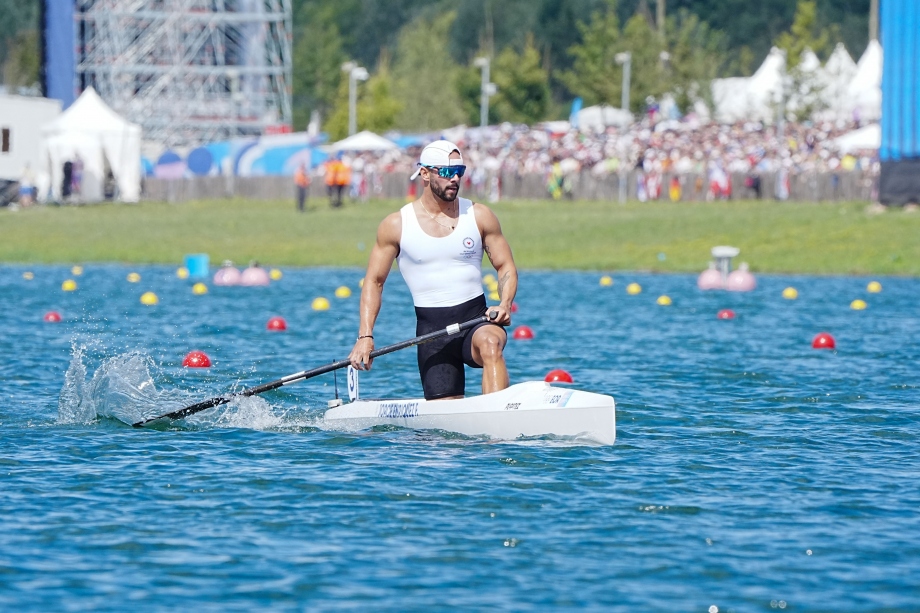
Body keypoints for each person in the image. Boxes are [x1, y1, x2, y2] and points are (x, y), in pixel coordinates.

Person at [348, 140, 518, 400]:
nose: (455, 179)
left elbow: (504, 265)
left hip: (477, 319)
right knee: (444, 439)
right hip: (432, 334)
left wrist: (505, 302)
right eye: (447, 172)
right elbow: (374, 281)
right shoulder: (396, 225)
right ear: (425, 174)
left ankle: (499, 420)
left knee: (491, 344)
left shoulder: (479, 215)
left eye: (459, 171)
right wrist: (365, 336)